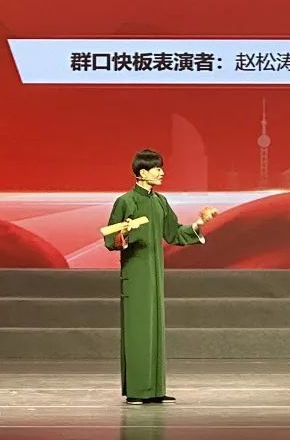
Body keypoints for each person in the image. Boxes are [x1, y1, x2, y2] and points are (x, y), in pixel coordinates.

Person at [104, 148, 217, 404]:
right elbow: (111, 239)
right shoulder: (126, 201)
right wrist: (124, 233)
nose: (162, 173)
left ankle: (154, 389)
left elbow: (174, 233)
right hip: (136, 274)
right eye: (157, 169)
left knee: (154, 328)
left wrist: (200, 222)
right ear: (143, 173)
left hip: (155, 274)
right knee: (138, 331)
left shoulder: (160, 202)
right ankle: (137, 390)